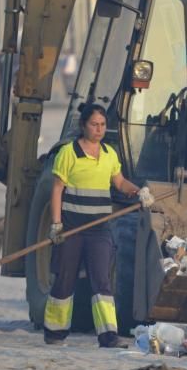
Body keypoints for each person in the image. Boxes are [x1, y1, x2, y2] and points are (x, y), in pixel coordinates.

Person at [43, 103, 153, 347]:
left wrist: (139, 192)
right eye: (94, 124)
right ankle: (54, 333)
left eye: (102, 125)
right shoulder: (68, 153)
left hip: (99, 231)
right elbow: (57, 189)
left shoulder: (109, 154)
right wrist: (56, 225)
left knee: (102, 281)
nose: (99, 129)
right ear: (83, 126)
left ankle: (108, 336)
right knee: (65, 280)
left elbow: (120, 182)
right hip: (71, 229)